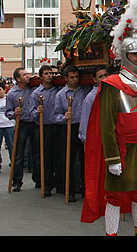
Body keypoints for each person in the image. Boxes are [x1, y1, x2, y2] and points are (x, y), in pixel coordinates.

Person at [81, 0, 137, 236]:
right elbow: (105, 125)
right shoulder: (112, 84)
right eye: (136, 55)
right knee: (115, 197)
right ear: (125, 57)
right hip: (122, 149)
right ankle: (112, 234)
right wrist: (112, 158)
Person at [54, 65, 90, 202]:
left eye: (77, 77)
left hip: (84, 127)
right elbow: (55, 115)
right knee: (68, 159)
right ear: (66, 78)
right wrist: (64, 117)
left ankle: (85, 189)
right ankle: (70, 189)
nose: (75, 80)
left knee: (84, 159)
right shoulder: (61, 95)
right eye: (72, 77)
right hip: (69, 128)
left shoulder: (85, 91)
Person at [32, 64, 63, 197]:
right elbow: (31, 112)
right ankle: (47, 184)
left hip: (58, 126)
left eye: (51, 73)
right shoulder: (36, 93)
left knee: (59, 156)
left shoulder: (58, 91)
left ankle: (60, 184)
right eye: (46, 74)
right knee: (46, 157)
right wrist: (36, 112)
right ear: (41, 76)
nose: (49, 76)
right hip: (44, 127)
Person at [5, 67, 37, 192]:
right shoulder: (11, 94)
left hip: (34, 123)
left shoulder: (33, 89)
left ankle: (38, 179)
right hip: (21, 124)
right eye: (24, 75)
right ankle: (17, 181)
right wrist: (14, 112)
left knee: (37, 152)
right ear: (18, 78)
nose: (27, 76)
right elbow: (7, 113)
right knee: (18, 154)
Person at [79, 66, 109, 145]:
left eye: (105, 75)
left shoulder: (113, 92)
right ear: (95, 80)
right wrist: (85, 140)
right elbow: (85, 119)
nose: (104, 78)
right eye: (100, 77)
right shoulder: (90, 98)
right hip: (97, 137)